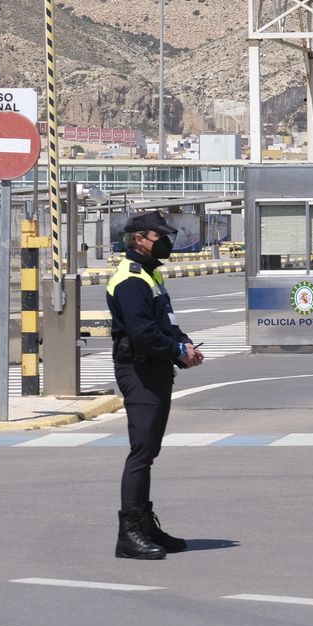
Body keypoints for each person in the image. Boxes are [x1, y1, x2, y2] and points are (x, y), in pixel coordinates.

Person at [107, 211, 203, 560]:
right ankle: (129, 533)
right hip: (139, 369)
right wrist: (176, 350)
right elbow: (142, 332)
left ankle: (145, 525)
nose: (164, 241)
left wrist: (185, 346)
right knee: (141, 451)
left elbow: (166, 323)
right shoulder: (130, 279)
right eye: (157, 236)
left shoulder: (151, 275)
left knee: (149, 452)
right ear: (139, 238)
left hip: (157, 368)